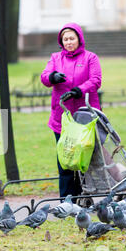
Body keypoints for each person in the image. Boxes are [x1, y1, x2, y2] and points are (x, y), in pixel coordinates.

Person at [40, 23, 102, 200]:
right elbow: (44, 77)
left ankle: (85, 196)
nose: (68, 42)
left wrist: (78, 90)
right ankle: (66, 199)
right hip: (62, 117)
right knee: (66, 158)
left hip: (85, 115)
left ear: (79, 39)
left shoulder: (91, 57)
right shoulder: (55, 58)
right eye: (65, 39)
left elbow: (96, 80)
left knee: (84, 157)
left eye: (71, 38)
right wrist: (52, 77)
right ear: (61, 41)